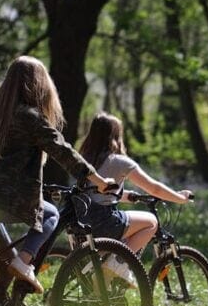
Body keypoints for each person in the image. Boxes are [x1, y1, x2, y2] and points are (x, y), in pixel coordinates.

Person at [0, 56, 116, 294]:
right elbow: (62, 150)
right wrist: (99, 181)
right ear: (39, 85)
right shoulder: (28, 116)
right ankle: (24, 262)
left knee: (5, 266)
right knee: (50, 215)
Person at [78, 112, 192, 277]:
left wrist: (127, 196)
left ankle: (104, 280)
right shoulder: (119, 161)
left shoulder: (83, 160)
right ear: (116, 136)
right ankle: (117, 264)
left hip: (83, 221)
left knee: (127, 226)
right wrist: (180, 198)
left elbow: (96, 193)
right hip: (104, 223)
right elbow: (154, 189)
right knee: (151, 222)